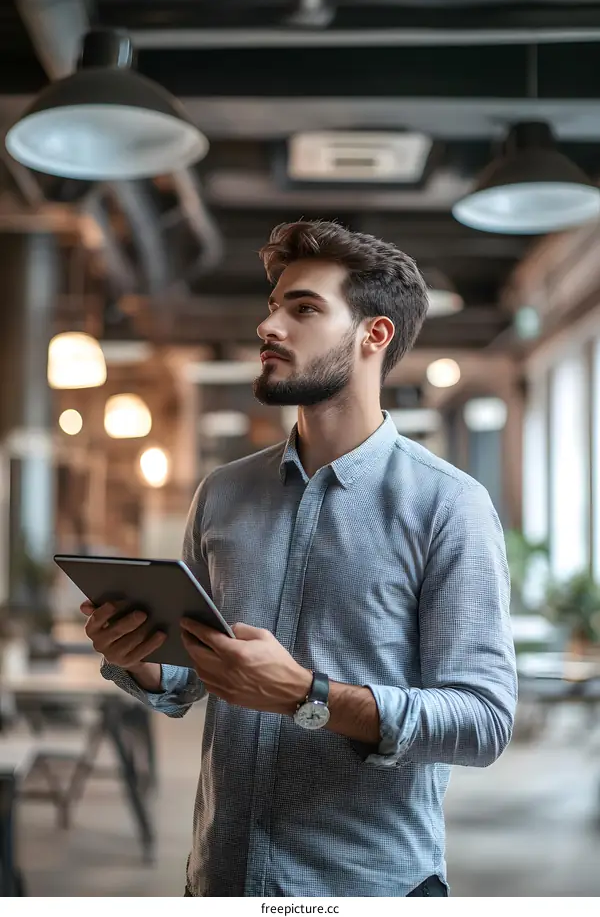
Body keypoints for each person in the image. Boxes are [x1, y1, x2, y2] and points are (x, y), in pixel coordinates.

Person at [81, 220, 517, 898]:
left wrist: (307, 696)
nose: (269, 326)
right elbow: (189, 682)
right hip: (218, 881)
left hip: (371, 888)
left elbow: (484, 721)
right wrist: (138, 655)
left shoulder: (449, 506)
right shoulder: (221, 495)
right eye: (273, 305)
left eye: (304, 308)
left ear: (375, 335)